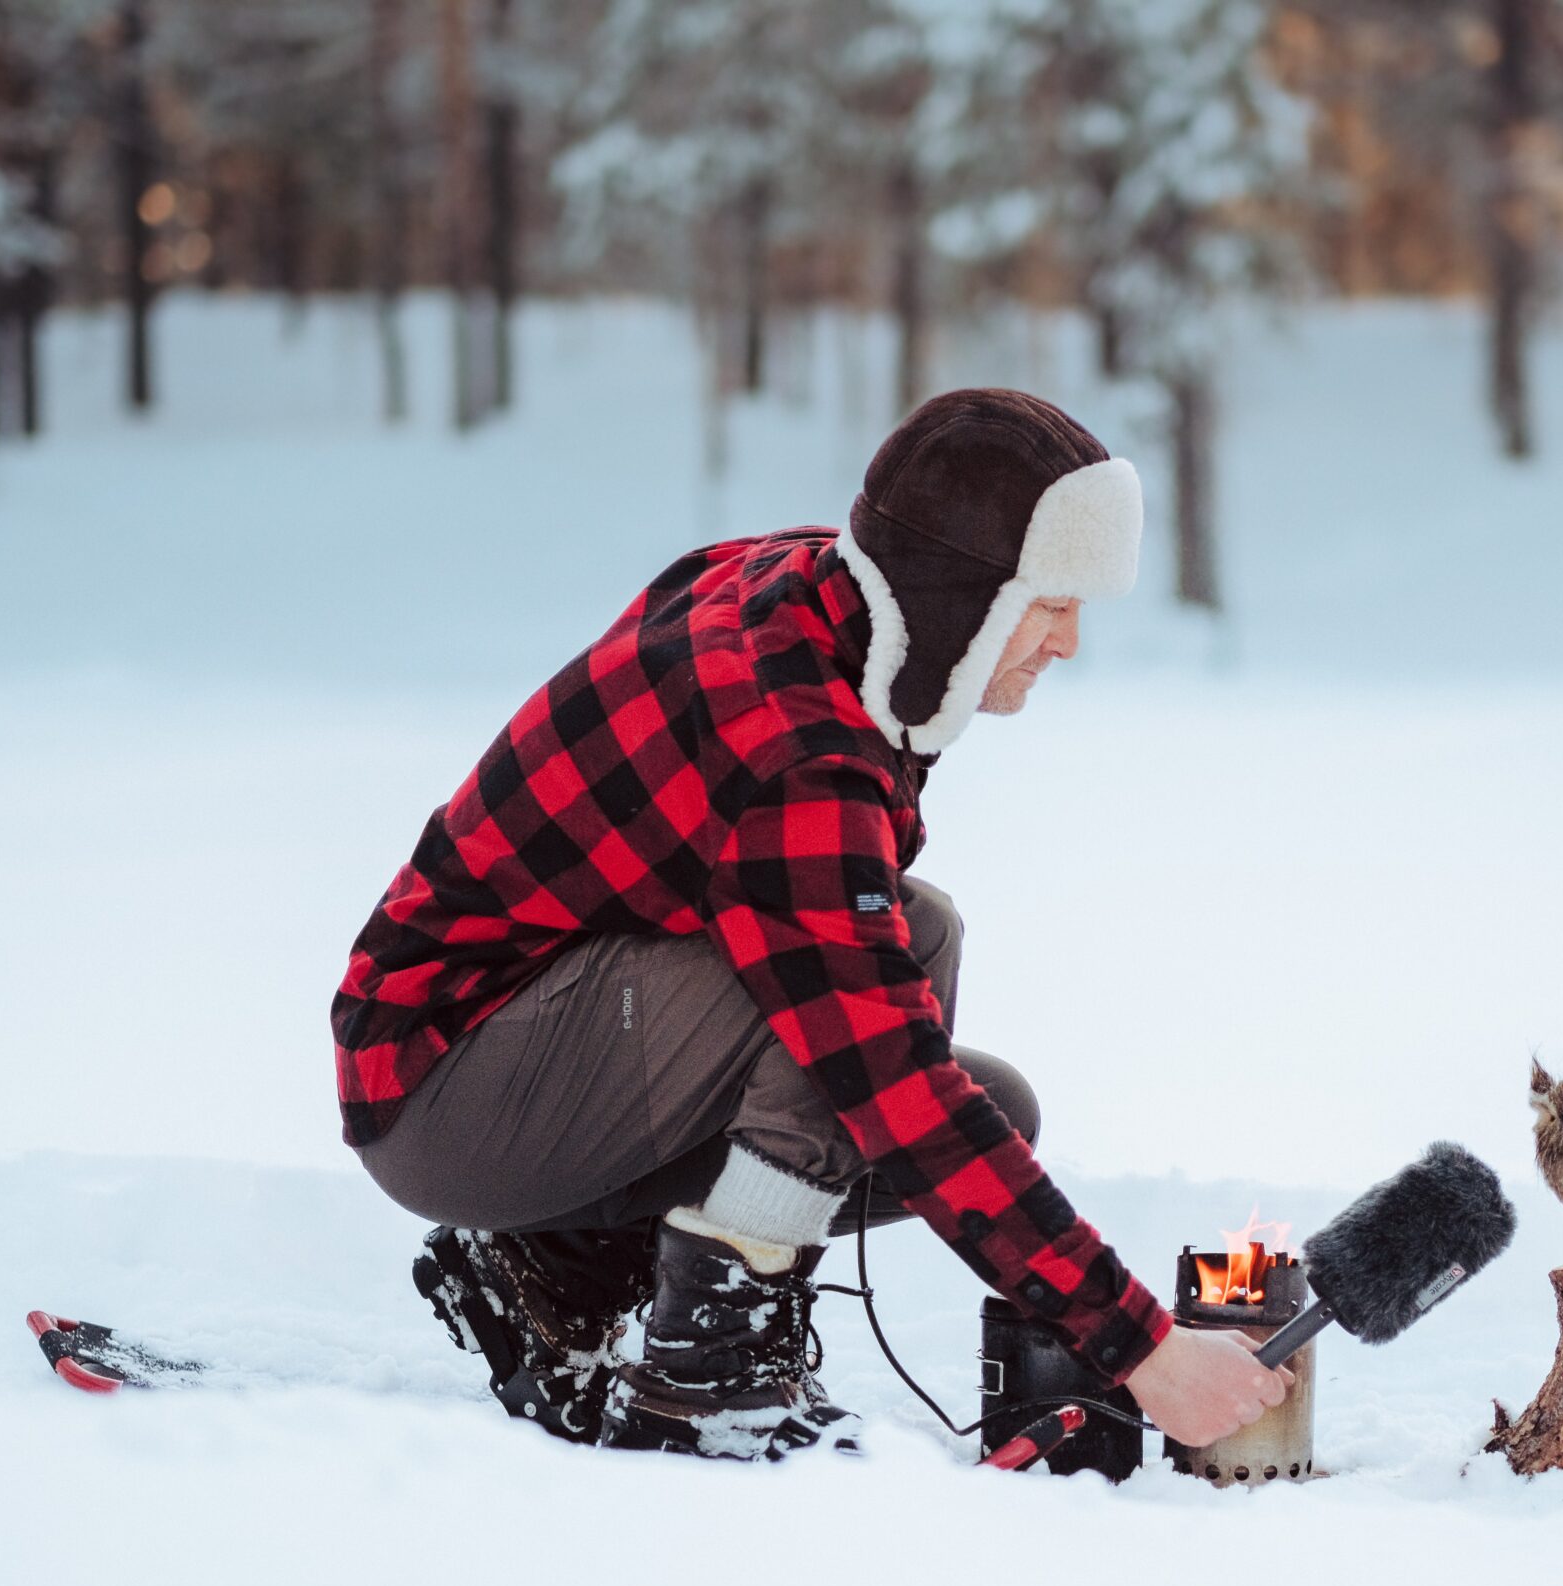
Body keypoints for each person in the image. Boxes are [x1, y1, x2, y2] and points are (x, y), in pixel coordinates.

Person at [332, 388, 1291, 1461]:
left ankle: (548, 1271)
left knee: (980, 1076)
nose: (1069, 641)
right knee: (884, 986)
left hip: (533, 1049)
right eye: (1050, 600)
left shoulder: (815, 591)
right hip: (444, 1085)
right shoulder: (797, 751)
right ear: (959, 592)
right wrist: (1144, 1352)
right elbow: (886, 1077)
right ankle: (710, 1379)